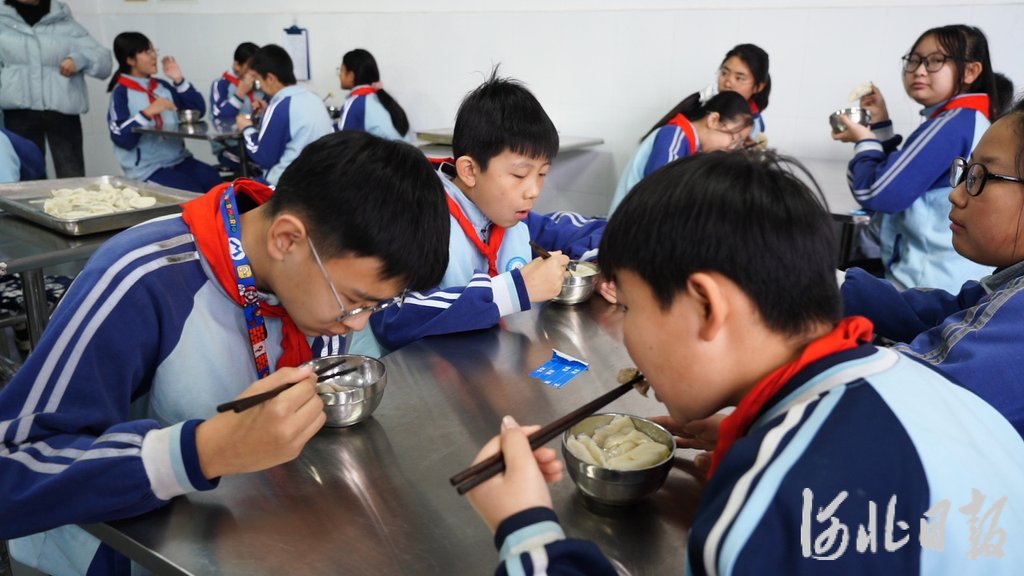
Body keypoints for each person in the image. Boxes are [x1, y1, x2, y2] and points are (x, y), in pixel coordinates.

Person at [464, 150, 1024, 575]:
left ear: (707, 306)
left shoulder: (766, 506)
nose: (627, 336)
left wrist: (526, 532)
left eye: (629, 308)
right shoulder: (913, 382)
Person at [0, 131, 451, 574]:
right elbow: (11, 470)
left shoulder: (308, 287)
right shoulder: (142, 279)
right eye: (354, 301)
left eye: (375, 306)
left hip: (234, 539)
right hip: (116, 557)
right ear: (286, 239)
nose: (358, 324)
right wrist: (201, 451)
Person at [352, 71, 606, 356]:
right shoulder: (416, 219)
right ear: (470, 171)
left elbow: (594, 231)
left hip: (472, 365)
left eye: (542, 174)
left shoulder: (509, 216)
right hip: (399, 374)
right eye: (519, 175)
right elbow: (392, 317)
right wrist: (514, 290)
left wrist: (604, 267)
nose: (533, 190)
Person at [842, 100, 1024, 437]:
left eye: (979, 177)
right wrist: (829, 285)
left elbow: (913, 387)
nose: (955, 195)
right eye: (965, 173)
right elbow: (948, 313)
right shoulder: (1006, 289)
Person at [832, 24, 996, 292]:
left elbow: (877, 192)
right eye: (914, 60)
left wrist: (864, 140)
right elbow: (900, 178)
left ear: (970, 71)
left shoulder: (953, 124)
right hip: (942, 279)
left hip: (923, 285)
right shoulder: (968, 119)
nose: (919, 70)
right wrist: (880, 126)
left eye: (935, 60)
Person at [0, 0, 111, 178]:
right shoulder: (2, 20)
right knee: (27, 178)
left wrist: (79, 59)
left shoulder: (63, 20)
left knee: (72, 175)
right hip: (18, 112)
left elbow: (103, 60)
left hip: (62, 111)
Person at [106, 31, 223, 193]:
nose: (154, 56)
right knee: (193, 194)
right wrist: (148, 112)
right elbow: (121, 138)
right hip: (147, 169)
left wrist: (178, 80)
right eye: (147, 52)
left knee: (218, 184)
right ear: (130, 60)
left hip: (179, 160)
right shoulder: (121, 92)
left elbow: (198, 111)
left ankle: (232, 211)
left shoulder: (162, 87)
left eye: (153, 50)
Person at [608, 90, 752, 213]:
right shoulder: (674, 135)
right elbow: (661, 193)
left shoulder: (692, 146)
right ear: (713, 120)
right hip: (628, 225)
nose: (731, 148)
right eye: (734, 138)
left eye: (738, 144)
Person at [237, 44, 332, 186]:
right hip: (319, 180)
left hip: (287, 185)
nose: (259, 86)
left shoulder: (280, 107)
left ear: (270, 78)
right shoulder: (313, 97)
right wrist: (268, 112)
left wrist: (247, 128)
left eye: (259, 80)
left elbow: (264, 157)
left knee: (236, 189)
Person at [698, 43, 772, 147]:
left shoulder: (753, 125)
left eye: (739, 78)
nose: (727, 83)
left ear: (758, 87)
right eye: (724, 73)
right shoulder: (704, 104)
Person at [209, 41, 265, 174]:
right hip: (229, 147)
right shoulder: (221, 84)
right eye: (251, 67)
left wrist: (264, 107)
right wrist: (240, 93)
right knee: (261, 166)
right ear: (237, 65)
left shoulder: (260, 85)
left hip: (256, 141)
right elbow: (218, 118)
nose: (255, 72)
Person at [333, 48, 411, 141]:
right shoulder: (381, 98)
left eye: (341, 70)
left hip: (386, 150)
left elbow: (342, 140)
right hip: (404, 150)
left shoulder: (357, 102)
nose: (339, 75)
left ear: (351, 76)